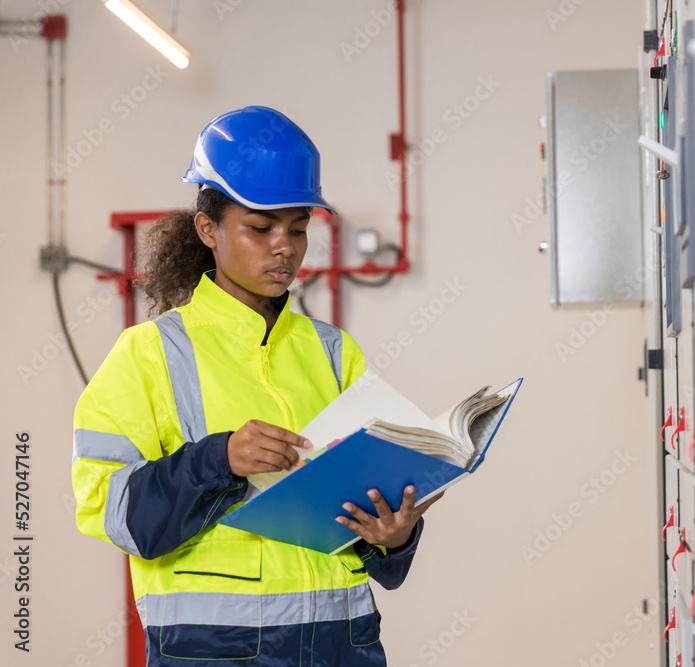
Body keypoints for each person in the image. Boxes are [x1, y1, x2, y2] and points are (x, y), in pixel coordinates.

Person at [70, 106, 441, 666]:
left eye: (297, 229)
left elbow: (360, 515)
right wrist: (217, 458)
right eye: (260, 228)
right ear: (207, 230)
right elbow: (113, 512)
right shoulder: (149, 355)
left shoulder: (335, 352)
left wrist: (392, 536)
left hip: (343, 647)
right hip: (216, 653)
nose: (284, 247)